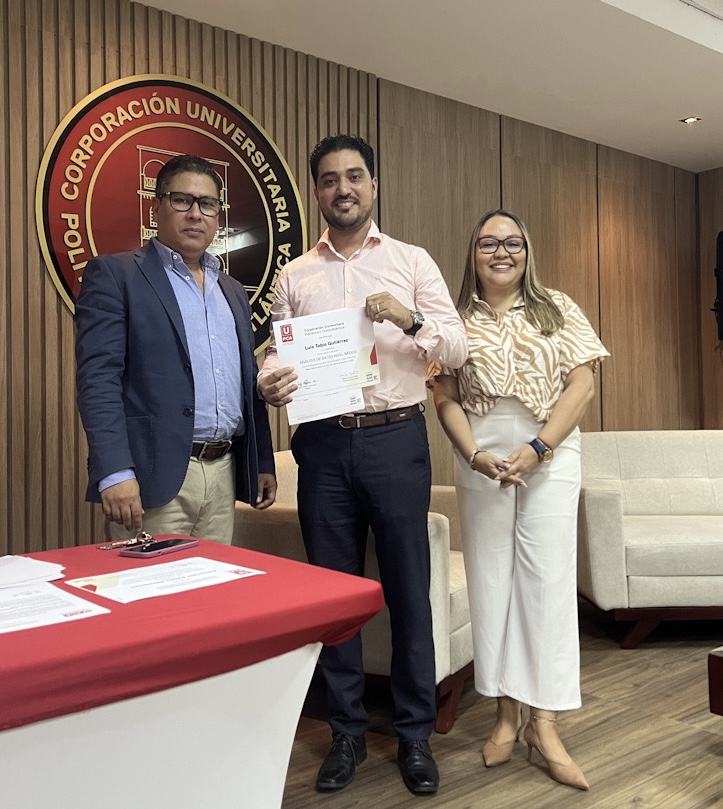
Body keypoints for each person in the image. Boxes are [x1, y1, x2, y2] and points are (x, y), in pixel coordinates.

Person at [257, 135, 467, 795]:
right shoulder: (294, 275)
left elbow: (457, 347)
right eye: (329, 179)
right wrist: (268, 380)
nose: (342, 188)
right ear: (316, 192)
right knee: (334, 596)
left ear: (373, 185)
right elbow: (276, 352)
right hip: (321, 447)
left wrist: (409, 318)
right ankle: (345, 733)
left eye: (353, 176)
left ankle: (414, 734)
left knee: (408, 590)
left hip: (395, 439)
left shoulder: (411, 261)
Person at [433, 209, 609, 791]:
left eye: (513, 242)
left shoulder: (557, 307)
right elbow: (444, 396)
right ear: (473, 253)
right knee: (492, 581)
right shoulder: (454, 320)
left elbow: (582, 384)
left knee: (547, 582)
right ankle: (507, 715)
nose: (502, 251)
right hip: (481, 454)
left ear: (528, 251)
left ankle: (546, 722)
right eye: (489, 242)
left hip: (549, 449)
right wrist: (473, 454)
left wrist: (539, 448)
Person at [76, 154, 276, 545]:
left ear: (218, 215)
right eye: (181, 200)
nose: (195, 214)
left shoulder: (232, 290)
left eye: (208, 204)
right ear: (156, 207)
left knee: (215, 584)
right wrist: (114, 471)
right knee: (151, 584)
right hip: (152, 477)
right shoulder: (116, 275)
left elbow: (246, 383)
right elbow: (98, 380)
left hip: (223, 472)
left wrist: (262, 461)